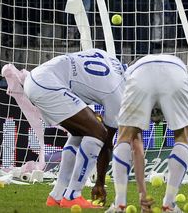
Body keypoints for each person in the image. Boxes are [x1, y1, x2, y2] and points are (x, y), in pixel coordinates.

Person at [22, 49, 125, 209]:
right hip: (49, 86)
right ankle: (72, 195)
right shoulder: (118, 93)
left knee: (80, 133)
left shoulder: (107, 57)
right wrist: (100, 183)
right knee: (98, 133)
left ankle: (57, 194)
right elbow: (106, 142)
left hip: (36, 77)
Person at [107, 54, 188, 213]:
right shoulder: (181, 77)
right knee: (182, 137)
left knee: (124, 137)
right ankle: (169, 204)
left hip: (140, 76)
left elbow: (135, 146)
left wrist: (142, 193)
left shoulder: (128, 77)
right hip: (175, 75)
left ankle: (119, 204)